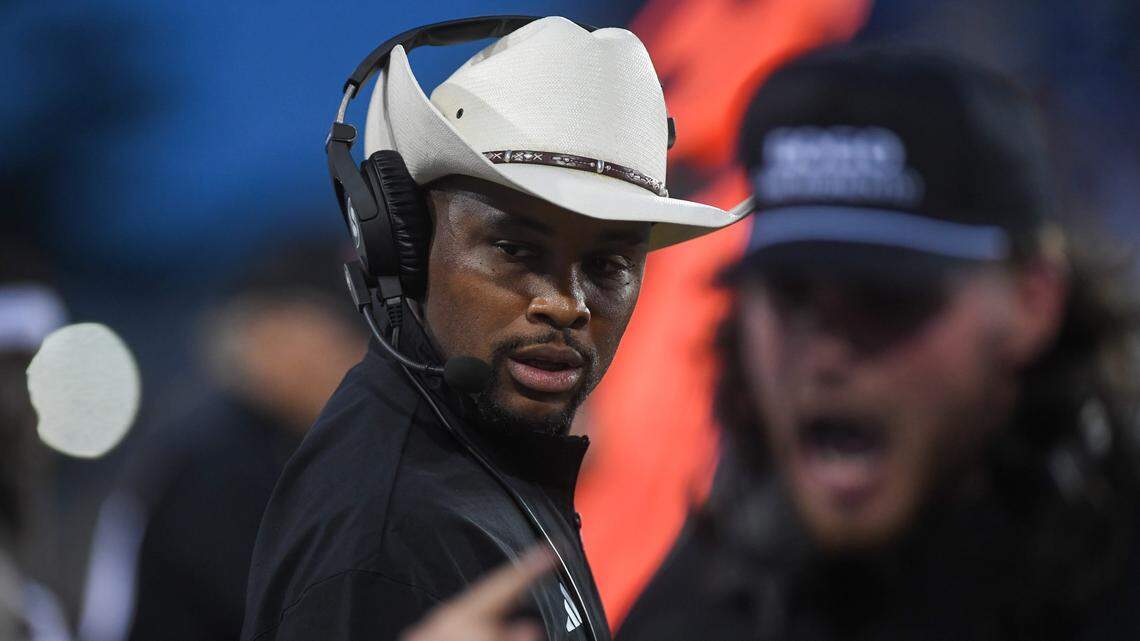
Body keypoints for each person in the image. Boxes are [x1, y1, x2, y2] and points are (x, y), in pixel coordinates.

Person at [240, 16, 739, 641]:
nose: (566, 303)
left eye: (608, 265)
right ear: (411, 246)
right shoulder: (391, 537)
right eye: (515, 251)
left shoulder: (481, 469)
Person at [617, 46, 1140, 641]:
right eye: (791, 296)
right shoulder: (696, 617)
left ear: (1033, 301)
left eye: (886, 298)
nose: (826, 353)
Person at [79, 241, 366, 641]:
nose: (360, 353)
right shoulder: (198, 470)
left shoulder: (355, 450)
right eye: (341, 332)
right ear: (266, 336)